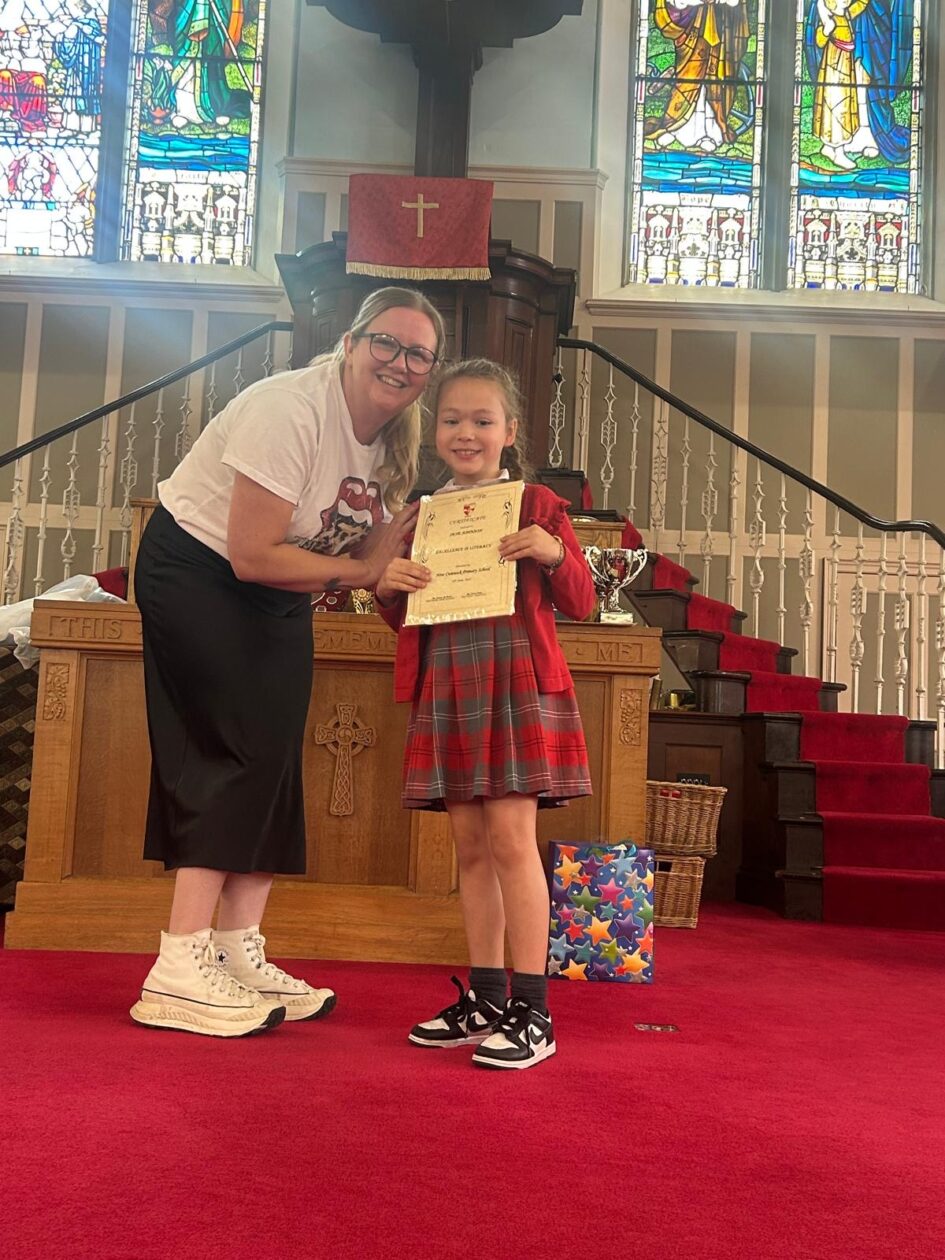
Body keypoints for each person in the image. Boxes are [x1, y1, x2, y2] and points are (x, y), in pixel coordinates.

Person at [130, 286, 446, 1037]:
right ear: (350, 342)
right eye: (386, 342)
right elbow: (250, 553)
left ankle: (235, 951)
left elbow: (360, 556)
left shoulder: (393, 443)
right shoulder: (291, 409)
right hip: (200, 571)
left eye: (418, 354)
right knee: (228, 752)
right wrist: (364, 572)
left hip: (278, 592)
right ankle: (178, 965)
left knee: (270, 760)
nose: (400, 363)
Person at [375, 359, 595, 1070]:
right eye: (451, 420)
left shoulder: (536, 503)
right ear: (432, 429)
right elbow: (405, 615)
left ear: (509, 431)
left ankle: (534, 1011)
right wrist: (389, 585)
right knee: (469, 846)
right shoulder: (423, 514)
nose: (465, 433)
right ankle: (487, 997)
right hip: (448, 681)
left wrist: (553, 552)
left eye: (481, 420)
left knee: (510, 840)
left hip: (514, 679)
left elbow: (581, 600)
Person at [644, 0, 750, 154]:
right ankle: (675, 128)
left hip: (720, 26)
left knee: (715, 79)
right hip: (691, 28)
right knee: (687, 78)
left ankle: (712, 131)